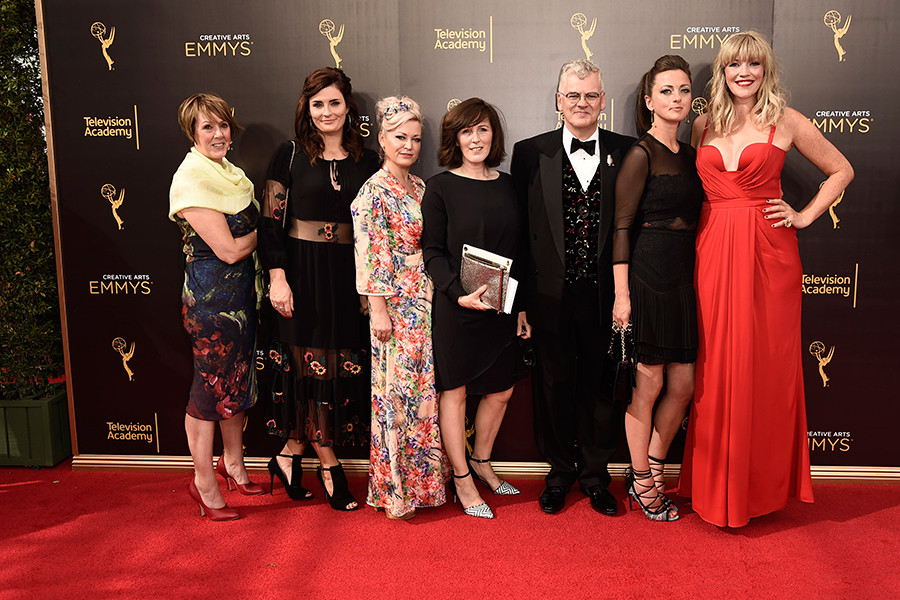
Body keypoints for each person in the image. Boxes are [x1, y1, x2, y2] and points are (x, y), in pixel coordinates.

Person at [678, 31, 853, 527]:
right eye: (735, 64)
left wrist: (804, 215)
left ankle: (757, 489)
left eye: (754, 63)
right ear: (723, 71)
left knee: (765, 367)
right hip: (713, 250)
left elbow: (841, 170)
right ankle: (716, 486)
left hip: (769, 253)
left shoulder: (787, 120)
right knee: (715, 365)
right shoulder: (703, 124)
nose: (744, 72)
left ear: (765, 70)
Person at [511, 59, 635, 515]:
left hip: (606, 295)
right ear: (558, 101)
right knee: (552, 386)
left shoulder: (628, 150)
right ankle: (560, 473)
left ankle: (596, 477)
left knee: (601, 388)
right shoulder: (530, 152)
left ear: (603, 101)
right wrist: (520, 302)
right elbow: (520, 233)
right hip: (548, 296)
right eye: (573, 95)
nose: (582, 103)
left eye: (591, 95)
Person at [260, 67, 380, 511]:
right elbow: (270, 222)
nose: (326, 112)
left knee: (330, 372)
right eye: (317, 104)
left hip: (347, 279)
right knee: (307, 370)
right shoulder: (289, 155)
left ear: (348, 108)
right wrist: (277, 277)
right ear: (306, 108)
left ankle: (288, 456)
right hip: (301, 275)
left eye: (334, 103)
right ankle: (330, 466)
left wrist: (371, 287)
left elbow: (373, 229)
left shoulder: (368, 160)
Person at [612, 55, 702, 521]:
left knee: (683, 385)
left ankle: (652, 465)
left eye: (683, 90)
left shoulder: (691, 154)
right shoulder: (640, 154)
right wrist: (622, 296)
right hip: (646, 276)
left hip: (684, 278)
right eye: (666, 90)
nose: (676, 98)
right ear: (649, 100)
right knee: (648, 385)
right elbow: (621, 228)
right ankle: (643, 478)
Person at [422, 98, 521, 520]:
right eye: (467, 131)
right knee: (456, 392)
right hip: (457, 306)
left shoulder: (510, 185)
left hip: (501, 306)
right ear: (455, 139)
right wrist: (456, 292)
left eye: (483, 129)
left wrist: (520, 308)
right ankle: (461, 478)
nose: (476, 139)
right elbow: (432, 252)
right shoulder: (440, 187)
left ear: (493, 135)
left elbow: (522, 250)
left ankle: (481, 460)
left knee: (502, 390)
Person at [351, 96, 447, 521]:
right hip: (394, 304)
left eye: (415, 138)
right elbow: (370, 255)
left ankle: (425, 485)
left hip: (426, 299)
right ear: (382, 139)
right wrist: (378, 311)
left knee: (423, 393)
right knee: (396, 394)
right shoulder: (372, 191)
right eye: (399, 137)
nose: (408, 145)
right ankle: (395, 492)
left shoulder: (422, 187)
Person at [169, 93, 264, 521]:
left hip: (242, 299)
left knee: (235, 381)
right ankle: (203, 482)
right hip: (210, 303)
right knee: (208, 390)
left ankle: (234, 465)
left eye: (223, 125)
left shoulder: (232, 175)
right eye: (207, 127)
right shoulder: (191, 179)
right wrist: (270, 232)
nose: (218, 134)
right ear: (192, 132)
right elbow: (228, 250)